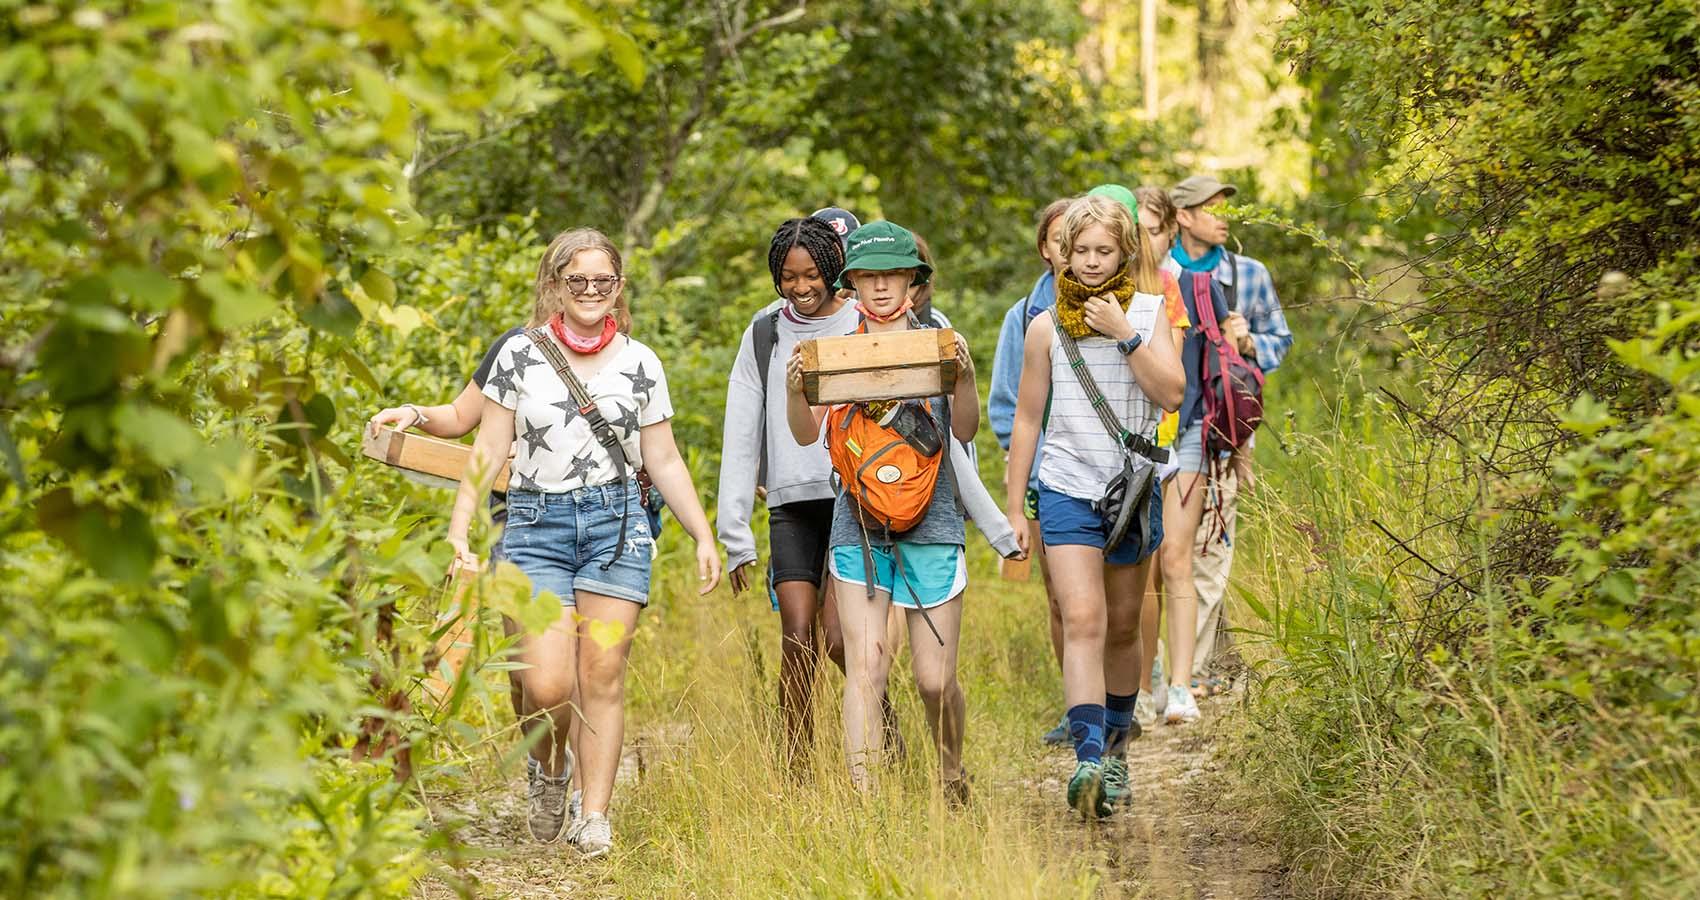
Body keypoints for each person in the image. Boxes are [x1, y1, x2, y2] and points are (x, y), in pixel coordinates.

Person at [446, 227, 722, 858]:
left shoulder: (641, 362)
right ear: (556, 285)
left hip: (616, 524)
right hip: (533, 526)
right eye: (578, 281)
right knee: (546, 686)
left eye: (603, 281)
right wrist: (459, 529)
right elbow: (487, 450)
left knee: (602, 670)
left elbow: (666, 459)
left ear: (619, 288)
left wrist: (702, 533)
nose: (591, 291)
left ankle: (594, 815)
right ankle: (548, 771)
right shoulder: (520, 354)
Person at [785, 221, 981, 803]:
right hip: (859, 527)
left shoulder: (940, 343)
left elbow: (965, 430)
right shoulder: (835, 353)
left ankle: (950, 772)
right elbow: (803, 435)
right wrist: (798, 389)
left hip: (935, 523)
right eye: (868, 278)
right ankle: (866, 806)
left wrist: (965, 378)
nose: (881, 289)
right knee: (866, 668)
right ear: (852, 285)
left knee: (933, 679)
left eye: (892, 276)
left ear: (913, 282)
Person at [1003, 195, 1184, 817]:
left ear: (1124, 253)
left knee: (1126, 624)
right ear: (1061, 254)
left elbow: (1171, 393)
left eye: (1102, 251)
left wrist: (1125, 333)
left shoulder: (1153, 313)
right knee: (1083, 618)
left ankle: (1115, 754)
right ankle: (1085, 760)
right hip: (1065, 486)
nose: (1088, 262)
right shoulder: (1045, 326)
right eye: (1078, 251)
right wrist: (1013, 507)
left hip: (1131, 489)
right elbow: (1027, 419)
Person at [718, 216, 865, 772]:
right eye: (787, 277)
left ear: (832, 270)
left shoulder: (862, 322)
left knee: (837, 639)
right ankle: (796, 771)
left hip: (855, 500)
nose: (800, 288)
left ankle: (885, 733)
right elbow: (740, 427)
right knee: (797, 633)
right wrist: (735, 536)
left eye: (811, 276)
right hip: (789, 503)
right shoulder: (764, 331)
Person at [1157, 175, 1292, 724]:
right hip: (1164, 422)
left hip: (1228, 426)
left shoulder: (1247, 275)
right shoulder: (1155, 270)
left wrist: (1247, 342)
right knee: (1165, 554)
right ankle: (1161, 674)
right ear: (1182, 217)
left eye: (1223, 207)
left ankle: (1193, 672)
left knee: (1210, 550)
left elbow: (1277, 344)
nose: (1222, 215)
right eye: (1208, 207)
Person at [988, 196, 1074, 746]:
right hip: (1049, 480)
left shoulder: (1125, 308)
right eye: (1060, 238)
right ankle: (1078, 704)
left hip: (1115, 479)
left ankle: (1119, 699)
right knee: (1062, 598)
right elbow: (1005, 406)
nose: (1070, 248)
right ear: (1044, 248)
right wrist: (1030, 475)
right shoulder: (1024, 316)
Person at [1132, 185, 1192, 727]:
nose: (1145, 240)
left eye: (1153, 229)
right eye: (1139, 229)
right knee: (1143, 569)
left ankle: (1175, 683)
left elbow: (1171, 372)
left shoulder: (1167, 284)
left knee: (1169, 559)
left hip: (1166, 439)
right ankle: (1144, 672)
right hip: (1126, 444)